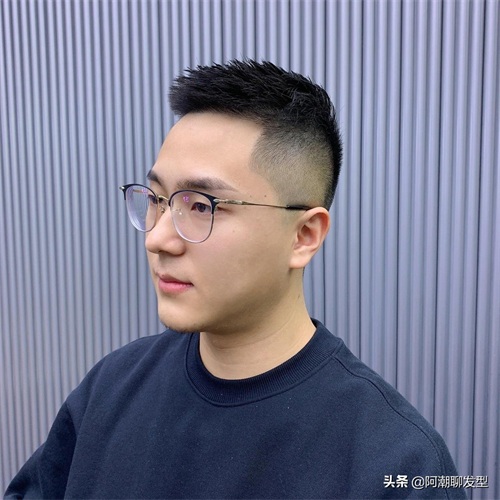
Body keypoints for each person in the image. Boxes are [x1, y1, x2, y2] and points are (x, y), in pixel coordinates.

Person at [5, 60, 466, 499]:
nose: (158, 238)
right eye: (158, 199)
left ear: (304, 236)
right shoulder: (111, 391)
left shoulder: (397, 465)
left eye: (201, 205)